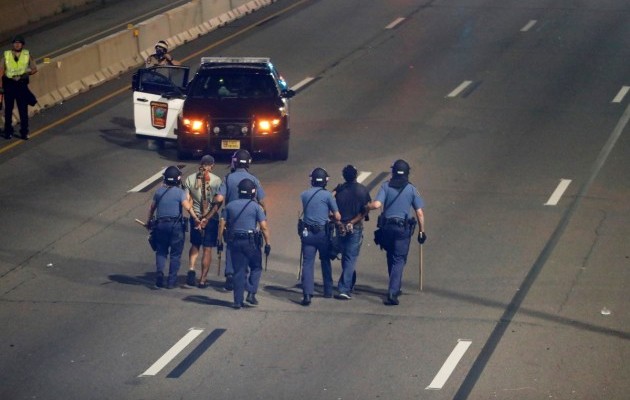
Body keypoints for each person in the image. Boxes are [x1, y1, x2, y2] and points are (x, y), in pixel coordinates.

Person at [367, 159, 426, 306]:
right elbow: (419, 213)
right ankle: (393, 291)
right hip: (402, 229)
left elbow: (377, 204)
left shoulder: (386, 186)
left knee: (391, 255)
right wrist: (421, 231)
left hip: (387, 228)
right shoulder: (411, 189)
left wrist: (366, 206)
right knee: (399, 259)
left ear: (393, 172)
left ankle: (395, 285)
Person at [214, 149, 266, 291]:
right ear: (248, 162)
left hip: (231, 218)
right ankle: (244, 278)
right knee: (250, 246)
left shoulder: (228, 178)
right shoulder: (254, 179)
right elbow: (261, 200)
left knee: (231, 247)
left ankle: (230, 275)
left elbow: (219, 198)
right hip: (249, 218)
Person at [146, 166, 201, 289]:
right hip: (176, 226)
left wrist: (148, 221)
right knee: (175, 255)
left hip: (160, 225)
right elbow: (187, 207)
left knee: (161, 251)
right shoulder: (180, 193)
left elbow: (152, 208)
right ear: (178, 179)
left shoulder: (159, 192)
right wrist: (196, 219)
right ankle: (171, 281)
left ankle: (160, 274)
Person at [219, 178, 270, 309]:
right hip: (251, 242)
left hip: (234, 241)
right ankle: (251, 292)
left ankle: (237, 301)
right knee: (256, 266)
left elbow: (222, 223)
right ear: (253, 192)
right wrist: (268, 242)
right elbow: (264, 226)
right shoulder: (256, 207)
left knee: (239, 271)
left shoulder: (230, 206)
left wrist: (219, 239)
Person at [298, 167, 341, 306]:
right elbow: (337, 215)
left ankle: (307, 294)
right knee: (325, 260)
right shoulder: (328, 195)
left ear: (312, 180)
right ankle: (328, 290)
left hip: (308, 234)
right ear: (325, 180)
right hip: (322, 234)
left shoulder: (304, 194)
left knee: (308, 263)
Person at [332, 165, 371, 300]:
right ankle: (344, 288)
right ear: (355, 175)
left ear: (344, 176)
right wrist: (353, 222)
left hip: (340, 227)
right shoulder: (363, 190)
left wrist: (339, 223)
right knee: (349, 258)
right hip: (355, 228)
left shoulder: (339, 190)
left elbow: (329, 203)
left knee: (346, 257)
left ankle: (348, 283)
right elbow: (366, 209)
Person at [183, 155, 222, 288]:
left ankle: (191, 269)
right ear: (212, 165)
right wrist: (207, 218)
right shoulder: (216, 180)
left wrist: (195, 218)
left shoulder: (190, 179)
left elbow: (187, 201)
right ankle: (203, 279)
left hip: (195, 218)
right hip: (210, 219)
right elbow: (218, 203)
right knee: (207, 249)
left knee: (195, 245)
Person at [0, 35, 38, 140]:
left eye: (19, 43)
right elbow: (1, 71)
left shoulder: (27, 55)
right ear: (13, 44)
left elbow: (34, 69)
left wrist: (26, 73)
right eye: (15, 43)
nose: (17, 44)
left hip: (21, 85)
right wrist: (1, 85)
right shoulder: (6, 55)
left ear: (22, 45)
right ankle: (8, 131)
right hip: (9, 85)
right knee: (8, 110)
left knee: (23, 110)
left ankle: (24, 132)